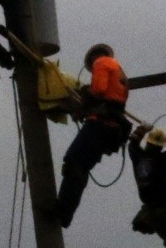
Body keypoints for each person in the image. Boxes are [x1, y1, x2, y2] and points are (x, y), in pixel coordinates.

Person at [55, 43, 131, 228]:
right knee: (81, 166)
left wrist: (85, 95)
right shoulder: (118, 70)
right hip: (112, 128)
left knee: (74, 163)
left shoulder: (102, 63)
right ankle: (65, 214)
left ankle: (62, 212)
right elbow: (109, 98)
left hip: (100, 125)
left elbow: (98, 90)